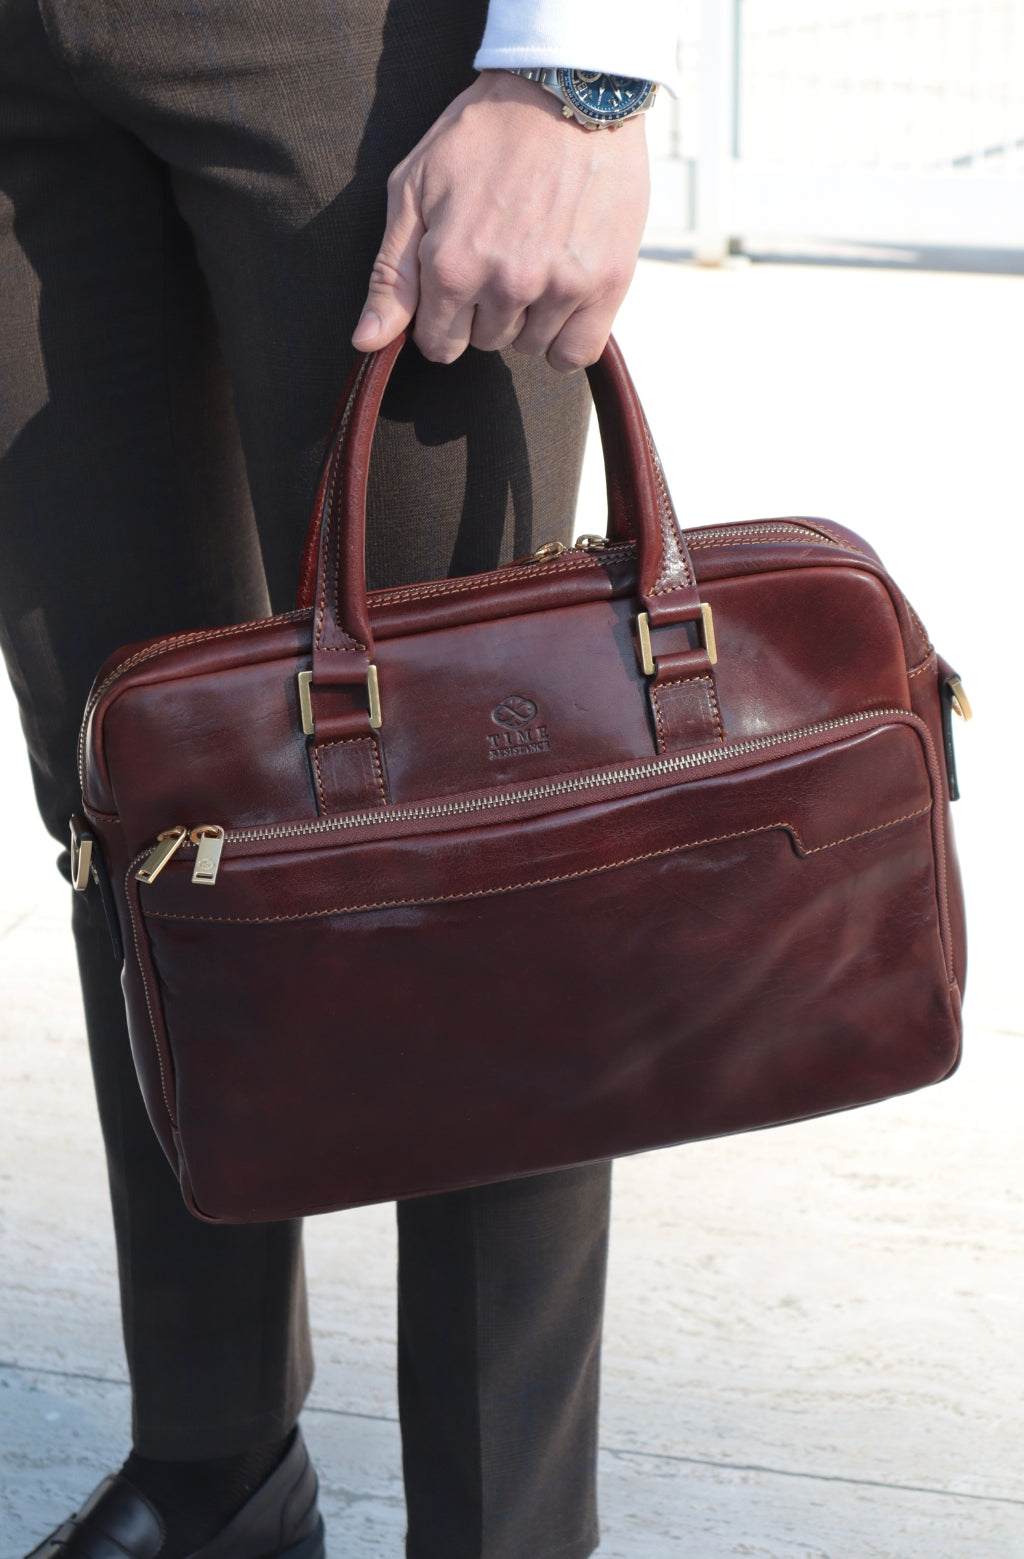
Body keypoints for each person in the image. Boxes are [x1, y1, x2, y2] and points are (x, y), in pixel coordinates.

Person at [0, 2, 678, 1556]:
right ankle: (217, 1476)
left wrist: (578, 68)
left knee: (485, 827)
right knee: (137, 807)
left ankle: (508, 1535)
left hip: (354, 49)